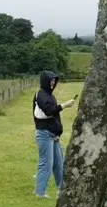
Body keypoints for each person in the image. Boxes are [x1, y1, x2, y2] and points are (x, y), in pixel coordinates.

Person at [32, 70, 75, 199]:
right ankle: (39, 193)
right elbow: (49, 111)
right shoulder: (41, 95)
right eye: (51, 81)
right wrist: (64, 105)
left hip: (53, 135)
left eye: (54, 81)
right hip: (44, 134)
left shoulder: (49, 95)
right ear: (45, 81)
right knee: (46, 164)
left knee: (59, 163)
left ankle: (61, 191)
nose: (53, 83)